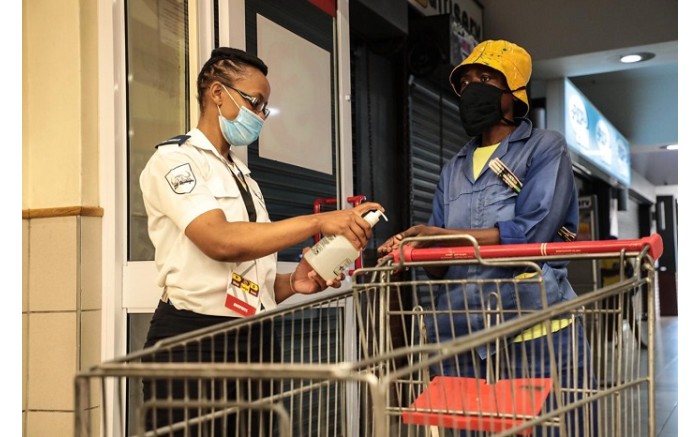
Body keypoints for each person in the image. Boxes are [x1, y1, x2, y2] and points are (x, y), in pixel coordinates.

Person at [139, 47, 384, 436]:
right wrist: (319, 220)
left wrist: (292, 283)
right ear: (217, 93)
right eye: (255, 102)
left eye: (264, 108)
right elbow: (219, 241)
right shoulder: (176, 161)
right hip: (195, 342)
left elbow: (245, 278)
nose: (260, 116)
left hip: (253, 338)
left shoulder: (244, 177)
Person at [378, 40, 595, 436]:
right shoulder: (452, 169)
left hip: (534, 330)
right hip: (461, 335)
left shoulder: (545, 148)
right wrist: (417, 248)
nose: (471, 88)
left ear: (513, 91)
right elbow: (440, 265)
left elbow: (534, 232)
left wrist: (444, 236)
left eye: (485, 78)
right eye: (465, 82)